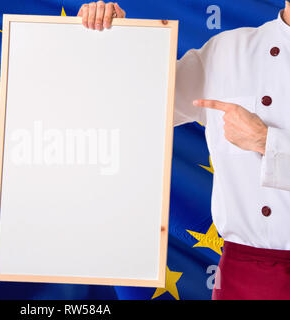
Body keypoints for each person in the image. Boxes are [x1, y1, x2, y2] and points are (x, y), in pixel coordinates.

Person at [78, 1, 290, 300]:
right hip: (242, 277)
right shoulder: (227, 50)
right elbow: (137, 105)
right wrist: (113, 37)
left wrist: (267, 143)